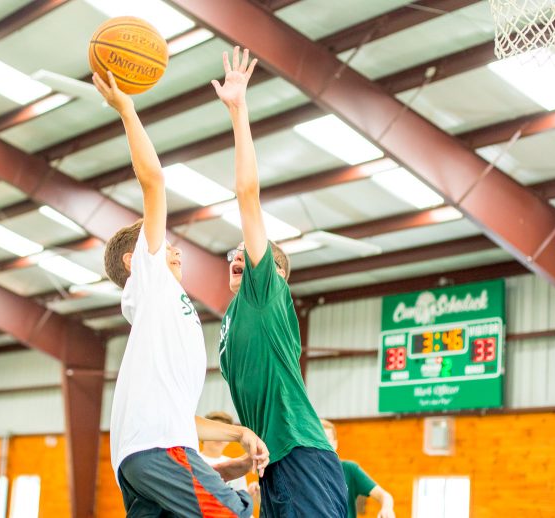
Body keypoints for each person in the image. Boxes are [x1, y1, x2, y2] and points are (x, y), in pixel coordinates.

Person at [93, 69, 268, 518]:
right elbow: (154, 182)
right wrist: (127, 110)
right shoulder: (149, 280)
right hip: (156, 448)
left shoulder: (162, 315)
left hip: (144, 455)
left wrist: (241, 438)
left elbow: (183, 422)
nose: (171, 248)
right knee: (240, 513)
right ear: (134, 260)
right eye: (157, 243)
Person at [212, 47, 348, 518]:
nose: (238, 256)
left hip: (300, 455)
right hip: (274, 464)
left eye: (246, 255)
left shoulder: (264, 292)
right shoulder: (230, 321)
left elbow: (247, 194)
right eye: (233, 253)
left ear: (272, 273)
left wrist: (238, 109)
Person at [320, 419, 397, 518]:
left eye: (327, 439)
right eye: (319, 439)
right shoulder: (305, 472)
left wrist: (386, 508)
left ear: (335, 444)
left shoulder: (349, 469)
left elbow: (384, 495)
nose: (323, 444)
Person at [199, 411, 249, 492]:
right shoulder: (190, 460)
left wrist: (251, 495)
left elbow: (241, 498)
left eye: (224, 434)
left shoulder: (235, 465)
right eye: (215, 432)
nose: (219, 437)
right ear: (203, 434)